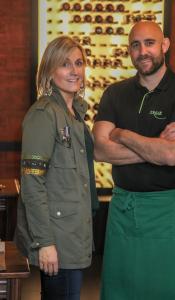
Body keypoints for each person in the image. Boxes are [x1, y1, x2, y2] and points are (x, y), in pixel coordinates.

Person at [93, 21, 175, 300]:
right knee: (121, 292)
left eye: (150, 43)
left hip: (168, 214)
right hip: (122, 213)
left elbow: (173, 155)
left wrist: (122, 133)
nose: (143, 51)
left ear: (164, 45)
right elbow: (100, 151)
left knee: (169, 292)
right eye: (135, 45)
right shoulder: (114, 93)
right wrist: (157, 146)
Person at [14, 36, 99, 300]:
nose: (74, 71)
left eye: (78, 63)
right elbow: (32, 183)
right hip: (56, 238)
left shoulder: (74, 115)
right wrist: (44, 242)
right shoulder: (44, 114)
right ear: (50, 71)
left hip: (74, 234)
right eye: (64, 64)